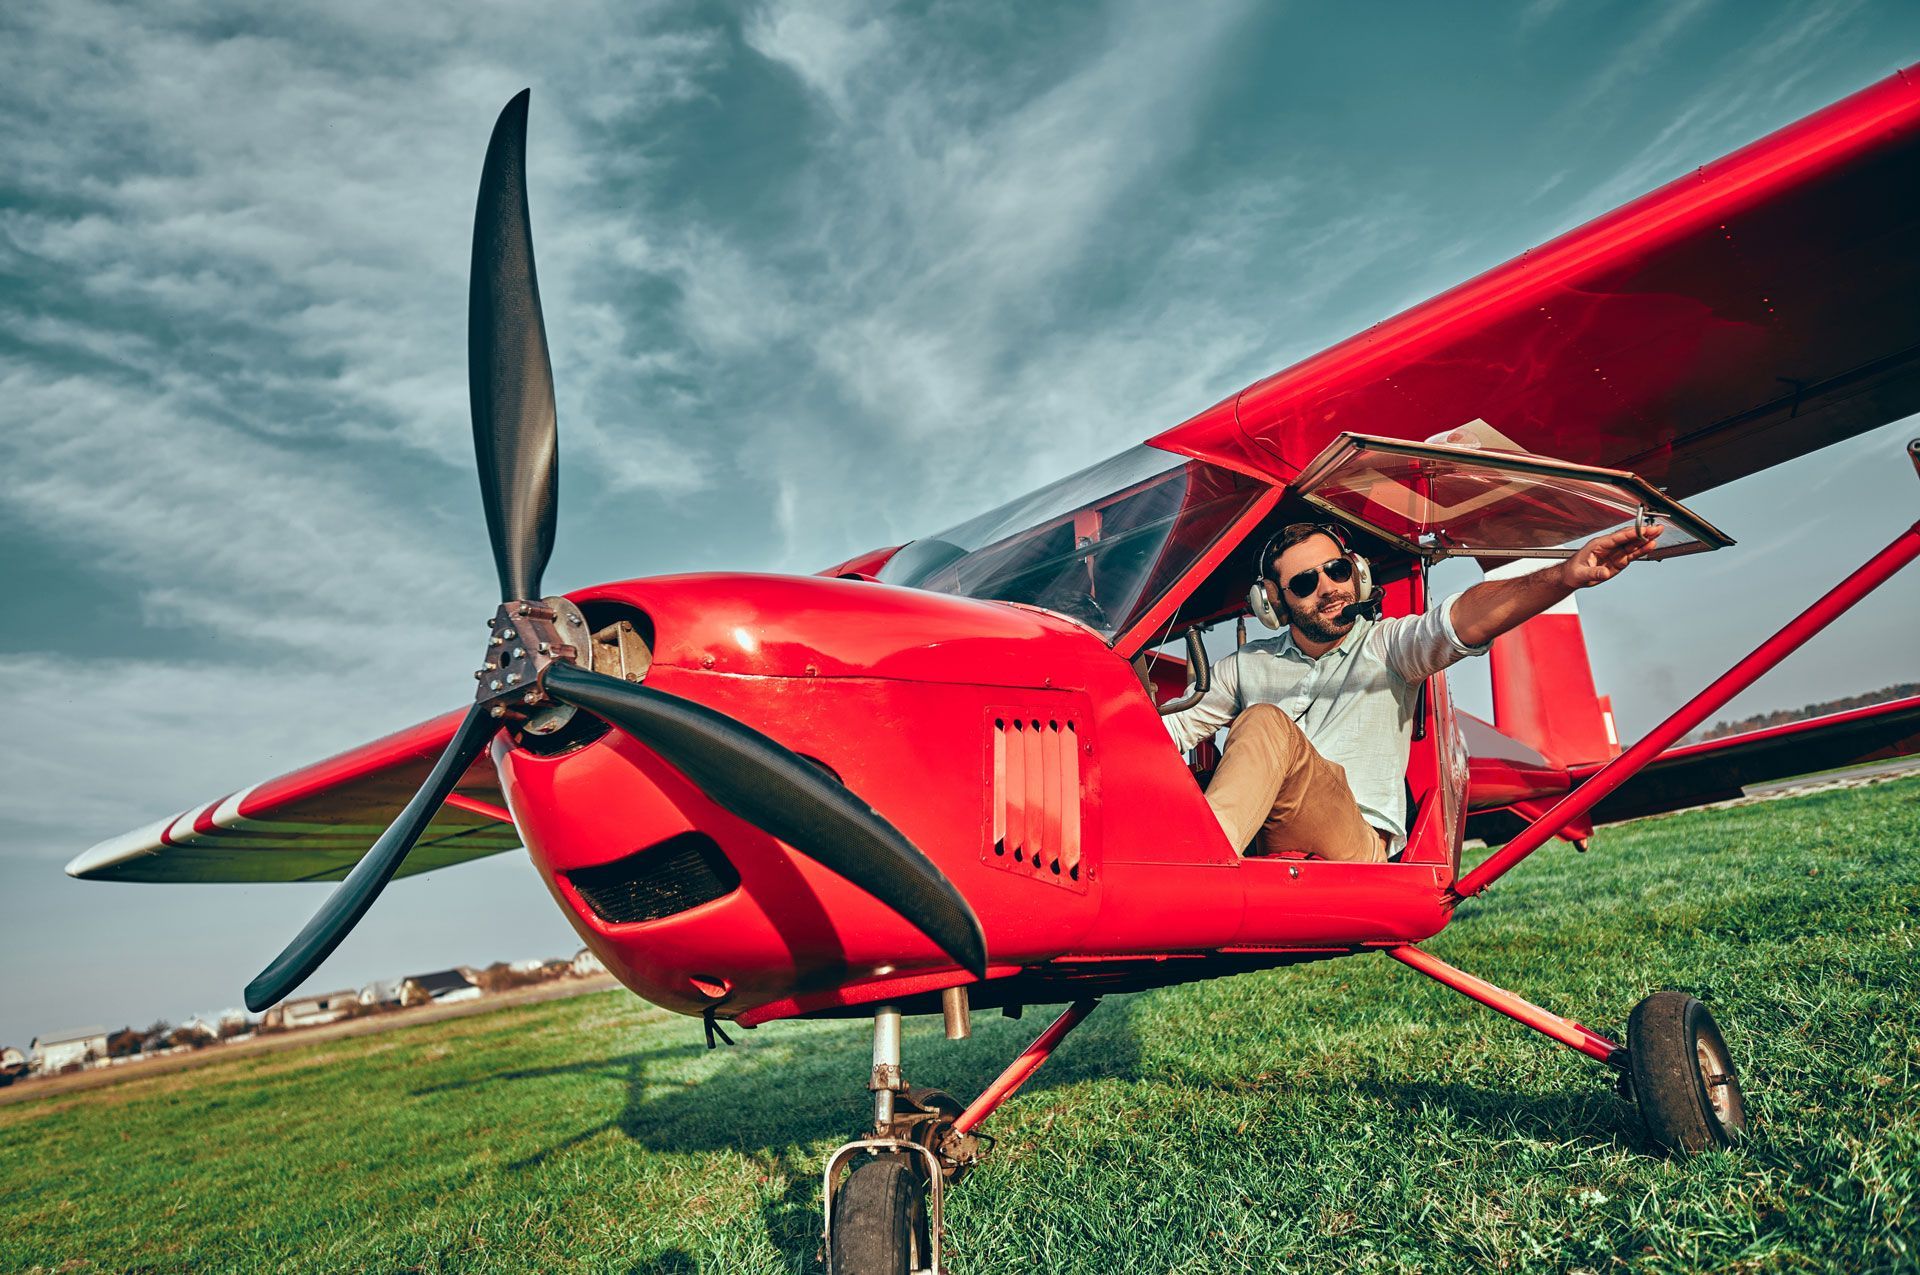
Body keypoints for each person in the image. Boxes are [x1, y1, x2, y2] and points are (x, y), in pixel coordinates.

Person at [1164, 519, 1661, 861]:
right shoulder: (1244, 666)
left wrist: (1564, 575)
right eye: (1305, 582)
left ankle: (1195, 866)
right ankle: (1188, 859)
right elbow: (1167, 734)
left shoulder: (1387, 646)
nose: (1329, 588)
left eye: (1338, 571)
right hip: (1262, 842)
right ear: (1272, 604)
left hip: (1351, 843)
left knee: (1263, 722)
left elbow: (1457, 622)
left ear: (1355, 575)